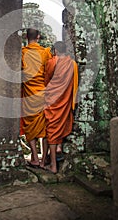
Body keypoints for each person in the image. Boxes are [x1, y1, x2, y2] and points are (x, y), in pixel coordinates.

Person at [43, 41, 78, 174]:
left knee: (51, 129)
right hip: (65, 99)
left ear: (56, 50)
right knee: (61, 123)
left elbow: (47, 80)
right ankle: (58, 145)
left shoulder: (52, 62)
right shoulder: (72, 64)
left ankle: (53, 166)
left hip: (53, 100)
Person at [21, 28, 52, 168]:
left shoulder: (22, 53)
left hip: (28, 94)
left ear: (26, 36)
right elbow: (50, 71)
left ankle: (34, 156)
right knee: (45, 127)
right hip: (42, 93)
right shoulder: (45, 53)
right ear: (38, 37)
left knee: (30, 126)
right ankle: (44, 159)